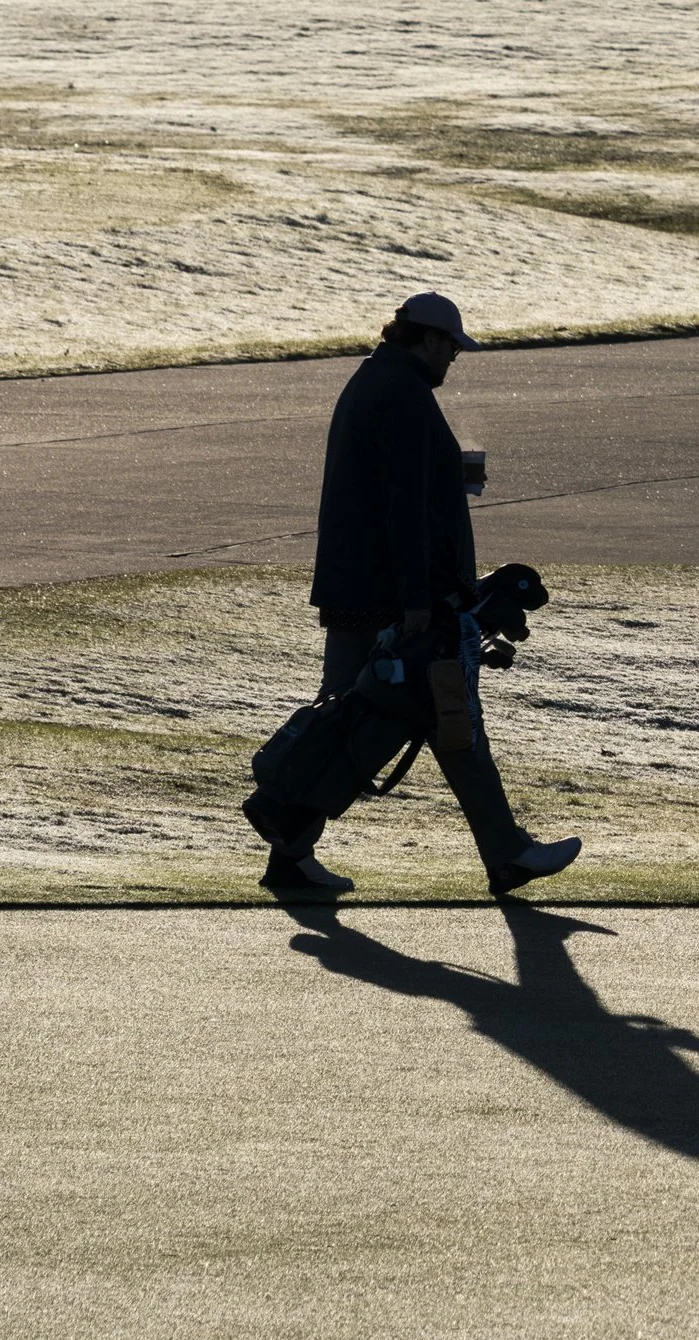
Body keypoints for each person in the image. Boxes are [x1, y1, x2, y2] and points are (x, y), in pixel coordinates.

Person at [261, 290, 581, 900]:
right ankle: (286, 831)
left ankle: (294, 850)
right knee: (356, 722)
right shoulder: (403, 395)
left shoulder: (378, 380)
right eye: (451, 349)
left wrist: (447, 477)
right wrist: (417, 601)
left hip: (363, 588)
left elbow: (400, 488)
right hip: (391, 597)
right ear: (428, 340)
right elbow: (404, 510)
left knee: (417, 719)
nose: (454, 360)